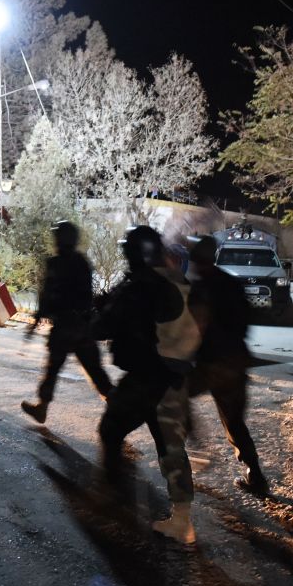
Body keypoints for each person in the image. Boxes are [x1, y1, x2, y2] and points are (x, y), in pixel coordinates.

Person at [93, 225, 201, 544]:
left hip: (146, 377)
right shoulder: (168, 281)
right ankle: (182, 519)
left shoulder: (140, 286)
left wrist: (97, 315)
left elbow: (105, 325)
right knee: (170, 446)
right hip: (171, 377)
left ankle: (115, 496)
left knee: (110, 430)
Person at [186, 235, 269, 496]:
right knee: (234, 422)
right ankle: (255, 475)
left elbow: (193, 328)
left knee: (172, 393)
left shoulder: (199, 288)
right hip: (236, 362)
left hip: (211, 364)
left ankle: (196, 449)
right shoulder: (232, 284)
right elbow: (246, 321)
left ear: (198, 262)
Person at [21, 220, 113, 423]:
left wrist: (35, 323)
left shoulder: (56, 263)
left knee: (53, 369)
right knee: (95, 372)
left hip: (65, 327)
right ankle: (117, 407)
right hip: (82, 326)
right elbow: (86, 296)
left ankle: (42, 408)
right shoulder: (82, 262)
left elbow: (47, 297)